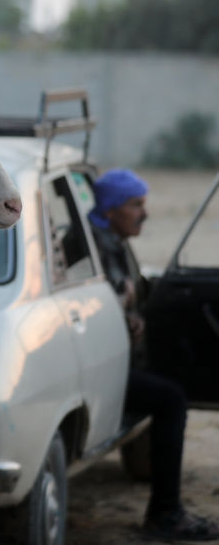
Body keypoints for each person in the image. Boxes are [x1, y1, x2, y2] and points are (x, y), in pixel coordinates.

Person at [89, 168, 219, 542]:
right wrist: (123, 312)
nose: (144, 213)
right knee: (171, 398)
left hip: (117, 360)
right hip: (98, 370)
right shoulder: (94, 246)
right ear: (112, 209)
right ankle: (165, 512)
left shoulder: (111, 239)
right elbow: (101, 302)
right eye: (135, 205)